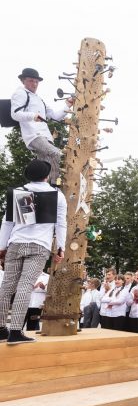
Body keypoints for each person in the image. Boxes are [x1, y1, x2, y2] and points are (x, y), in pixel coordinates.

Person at [0, 160, 66, 344]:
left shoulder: (20, 191)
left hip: (16, 243)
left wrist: (1, 247)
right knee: (25, 285)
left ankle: (0, 329)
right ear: (47, 175)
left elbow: (7, 222)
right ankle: (15, 332)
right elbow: (61, 223)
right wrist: (60, 248)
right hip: (39, 246)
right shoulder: (56, 194)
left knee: (7, 286)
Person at [11, 68, 74, 185]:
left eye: (36, 82)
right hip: (34, 135)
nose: (34, 84)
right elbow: (15, 114)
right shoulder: (20, 93)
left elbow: (54, 116)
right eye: (31, 81)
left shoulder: (39, 99)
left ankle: (40, 189)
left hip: (45, 136)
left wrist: (67, 106)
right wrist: (33, 116)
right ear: (23, 81)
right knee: (55, 153)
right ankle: (55, 184)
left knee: (44, 167)